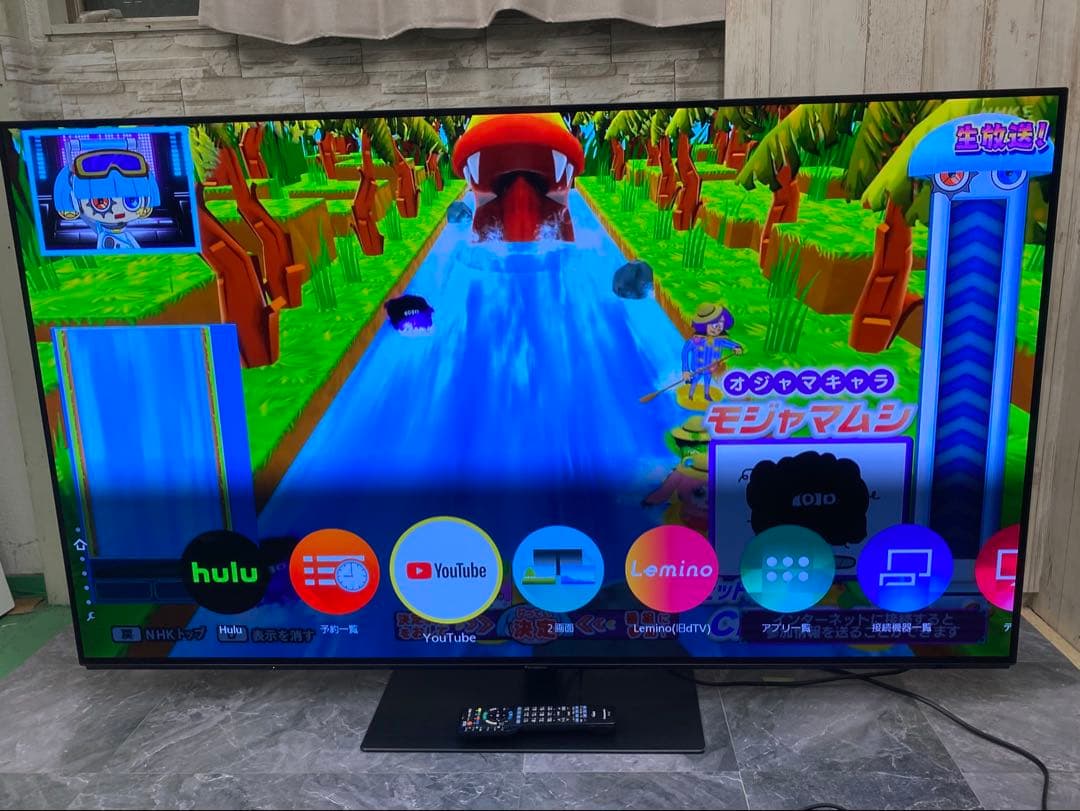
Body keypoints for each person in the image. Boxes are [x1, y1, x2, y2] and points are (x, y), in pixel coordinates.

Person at [51, 141, 160, 250]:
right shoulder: (105, 236)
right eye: (100, 202)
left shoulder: (117, 234)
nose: (117, 210)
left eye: (131, 201)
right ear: (75, 200)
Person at [681, 303, 742, 401]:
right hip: (698, 368)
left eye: (721, 323)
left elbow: (730, 344)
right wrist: (685, 370)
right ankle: (691, 394)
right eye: (714, 325)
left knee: (708, 380)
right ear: (704, 325)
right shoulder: (696, 340)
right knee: (696, 380)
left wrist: (737, 347)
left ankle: (706, 394)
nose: (718, 328)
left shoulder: (719, 340)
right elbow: (685, 352)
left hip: (711, 367)